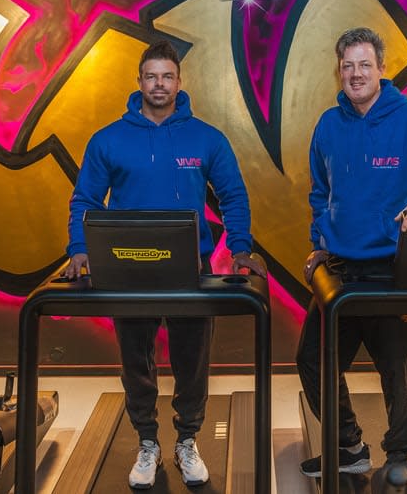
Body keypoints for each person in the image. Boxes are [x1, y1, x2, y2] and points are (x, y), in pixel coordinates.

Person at [64, 39, 265, 489]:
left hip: (188, 268)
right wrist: (79, 249)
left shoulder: (206, 138)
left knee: (192, 361)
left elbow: (233, 195)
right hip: (126, 267)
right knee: (136, 362)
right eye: (151, 76)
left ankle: (187, 440)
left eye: (167, 76)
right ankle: (147, 442)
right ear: (139, 81)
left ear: (179, 82)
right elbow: (86, 199)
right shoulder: (108, 140)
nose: (159, 84)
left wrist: (240, 248)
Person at [296, 27, 407, 477]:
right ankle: (350, 448)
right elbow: (321, 193)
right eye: (347, 66)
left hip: (395, 269)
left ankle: (400, 462)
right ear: (339, 71)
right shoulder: (328, 125)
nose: (356, 74)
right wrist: (320, 243)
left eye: (365, 64)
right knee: (313, 361)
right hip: (341, 270)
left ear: (381, 69)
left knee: (398, 373)